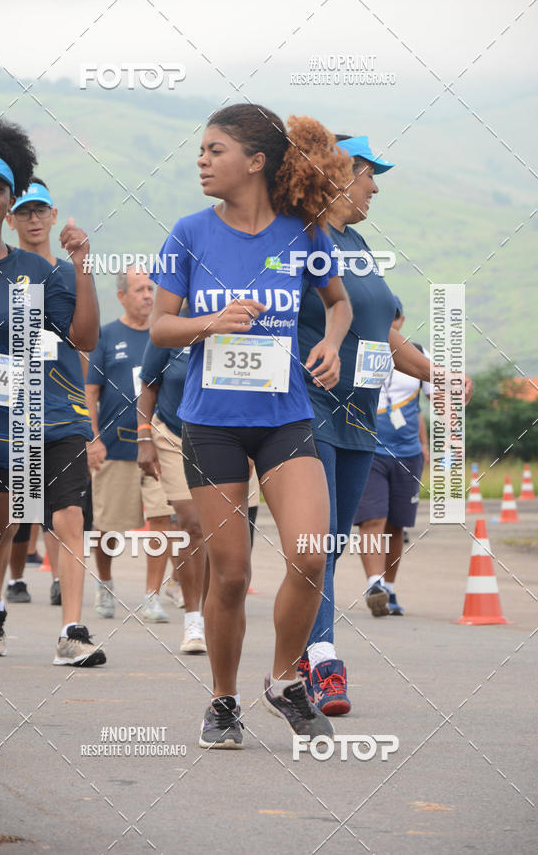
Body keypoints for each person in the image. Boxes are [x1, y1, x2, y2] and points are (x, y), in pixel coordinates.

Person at [150, 104, 354, 748]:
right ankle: (222, 700)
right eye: (201, 151)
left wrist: (334, 343)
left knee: (309, 553)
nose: (202, 161)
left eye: (215, 150)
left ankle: (284, 682)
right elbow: (160, 327)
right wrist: (211, 322)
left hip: (284, 417)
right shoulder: (188, 233)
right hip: (210, 425)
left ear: (256, 161)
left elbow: (339, 302)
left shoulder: (302, 233)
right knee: (231, 574)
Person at [297, 136, 473, 716]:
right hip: (310, 412)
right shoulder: (302, 237)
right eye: (370, 175)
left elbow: (383, 336)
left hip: (359, 419)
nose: (376, 187)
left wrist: (435, 373)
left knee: (336, 543)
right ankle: (322, 659)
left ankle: (302, 647)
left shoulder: (361, 243)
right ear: (340, 174)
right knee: (319, 542)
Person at [0, 116, 99, 720]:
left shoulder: (36, 273)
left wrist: (81, 265)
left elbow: (81, 338)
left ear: (11, 200)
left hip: (13, 430)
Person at [0, 178, 104, 667]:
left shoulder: (70, 272)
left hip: (62, 416)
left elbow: (85, 342)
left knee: (68, 518)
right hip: (6, 416)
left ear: (53, 216)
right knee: (4, 527)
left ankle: (72, 631)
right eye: (23, 211)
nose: (32, 219)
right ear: (10, 219)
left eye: (40, 211)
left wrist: (84, 264)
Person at [85, 268, 175, 621]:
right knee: (108, 526)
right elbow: (90, 392)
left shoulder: (164, 335)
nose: (148, 296)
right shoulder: (106, 336)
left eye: (150, 289)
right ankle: (105, 584)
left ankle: (152, 595)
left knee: (162, 518)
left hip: (157, 446)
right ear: (122, 296)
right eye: (139, 290)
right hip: (115, 446)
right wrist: (92, 439)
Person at [354, 297, 431, 616]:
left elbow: (423, 406)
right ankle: (375, 582)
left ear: (400, 320)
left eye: (393, 317)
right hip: (369, 450)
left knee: (397, 524)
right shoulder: (359, 351)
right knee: (372, 519)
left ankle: (390, 588)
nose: (388, 323)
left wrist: (426, 446)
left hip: (408, 453)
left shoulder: (418, 355)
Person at [138, 333, 207, 653]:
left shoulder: (240, 323)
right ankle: (194, 620)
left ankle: (222, 611)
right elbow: (148, 387)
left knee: (234, 536)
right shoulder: (170, 327)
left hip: (231, 434)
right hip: (173, 435)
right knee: (192, 523)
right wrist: (144, 438)